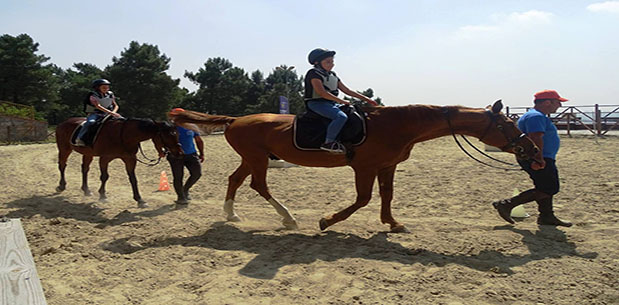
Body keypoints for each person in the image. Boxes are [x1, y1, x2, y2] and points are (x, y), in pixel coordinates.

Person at [492, 89, 572, 227]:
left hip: (540, 156)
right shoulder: (536, 117)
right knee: (550, 188)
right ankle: (506, 204)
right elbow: (535, 137)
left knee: (543, 186)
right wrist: (538, 158)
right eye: (558, 102)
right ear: (547, 102)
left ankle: (547, 216)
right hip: (539, 157)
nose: (559, 106)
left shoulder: (535, 115)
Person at [304, 48, 378, 154]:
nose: (332, 64)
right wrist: (341, 101)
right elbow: (322, 93)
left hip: (331, 103)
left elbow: (347, 90)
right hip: (317, 103)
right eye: (328, 62)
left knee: (355, 112)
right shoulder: (313, 73)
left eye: (332, 61)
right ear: (317, 63)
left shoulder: (333, 75)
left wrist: (366, 99)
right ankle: (329, 143)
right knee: (340, 116)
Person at [163, 108, 204, 205]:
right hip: (175, 155)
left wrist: (201, 153)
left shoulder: (192, 126)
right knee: (178, 176)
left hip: (191, 154)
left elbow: (198, 140)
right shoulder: (169, 128)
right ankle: (181, 197)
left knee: (197, 174)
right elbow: (162, 141)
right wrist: (162, 151)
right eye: (174, 116)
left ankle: (185, 190)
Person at [75, 79, 121, 146]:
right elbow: (98, 106)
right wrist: (111, 113)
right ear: (97, 88)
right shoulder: (93, 95)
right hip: (96, 113)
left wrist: (114, 112)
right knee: (90, 122)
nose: (106, 89)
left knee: (122, 121)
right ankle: (80, 138)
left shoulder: (110, 94)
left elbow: (116, 105)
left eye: (107, 87)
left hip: (109, 113)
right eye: (103, 87)